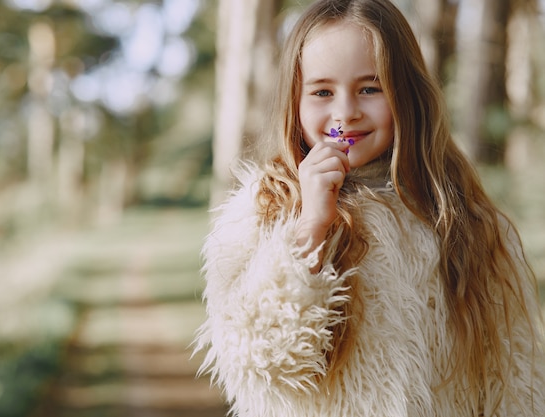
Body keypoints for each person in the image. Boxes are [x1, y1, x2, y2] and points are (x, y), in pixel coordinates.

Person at [193, 0, 545, 416]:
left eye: (370, 88)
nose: (346, 112)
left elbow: (515, 378)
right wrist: (310, 227)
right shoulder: (264, 213)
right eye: (323, 91)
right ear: (295, 99)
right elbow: (260, 362)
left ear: (406, 93)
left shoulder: (464, 221)